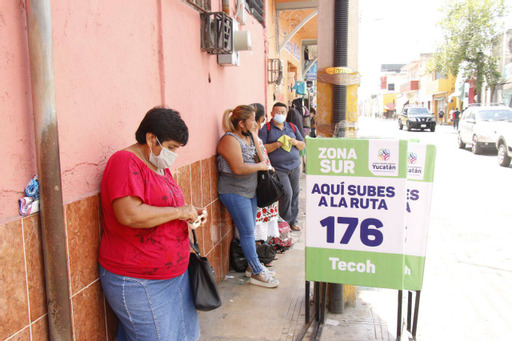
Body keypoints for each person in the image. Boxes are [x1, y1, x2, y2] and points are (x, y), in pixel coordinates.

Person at [98, 107, 207, 341]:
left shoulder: (158, 166)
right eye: (171, 147)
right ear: (150, 138)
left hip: (174, 275)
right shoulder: (125, 161)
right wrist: (178, 212)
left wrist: (189, 213)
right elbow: (129, 215)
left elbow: (162, 206)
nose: (174, 154)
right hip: (140, 280)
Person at [217, 105, 279, 288]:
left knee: (250, 230)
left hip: (249, 191)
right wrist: (261, 167)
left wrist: (253, 135)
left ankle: (253, 267)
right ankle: (257, 272)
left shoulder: (249, 137)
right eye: (252, 119)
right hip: (234, 192)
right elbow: (238, 168)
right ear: (241, 123)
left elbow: (262, 159)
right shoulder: (230, 140)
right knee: (247, 233)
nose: (256, 122)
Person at [259, 102, 306, 232]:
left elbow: (302, 145)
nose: (280, 115)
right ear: (272, 114)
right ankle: (284, 223)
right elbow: (262, 148)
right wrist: (278, 144)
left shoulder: (292, 126)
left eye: (282, 112)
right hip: (279, 168)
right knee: (287, 193)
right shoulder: (266, 129)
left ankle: (293, 221)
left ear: (286, 114)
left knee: (295, 193)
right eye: (277, 112)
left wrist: (295, 142)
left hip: (295, 166)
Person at [250, 103, 280, 243]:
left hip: (260, 180)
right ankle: (259, 248)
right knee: (258, 221)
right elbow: (261, 158)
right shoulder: (253, 137)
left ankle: (262, 246)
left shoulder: (252, 137)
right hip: (260, 182)